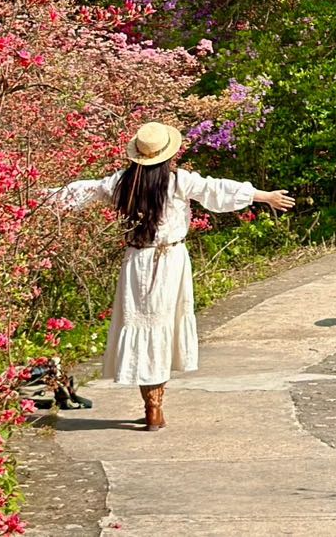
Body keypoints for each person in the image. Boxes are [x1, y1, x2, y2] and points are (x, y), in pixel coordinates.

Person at [48, 121, 294, 430]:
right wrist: (263, 195)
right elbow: (217, 189)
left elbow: (79, 191)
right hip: (170, 260)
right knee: (161, 328)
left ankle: (151, 406)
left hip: (137, 261)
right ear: (166, 155)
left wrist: (36, 197)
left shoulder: (122, 183)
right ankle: (155, 409)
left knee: (143, 326)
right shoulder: (178, 181)